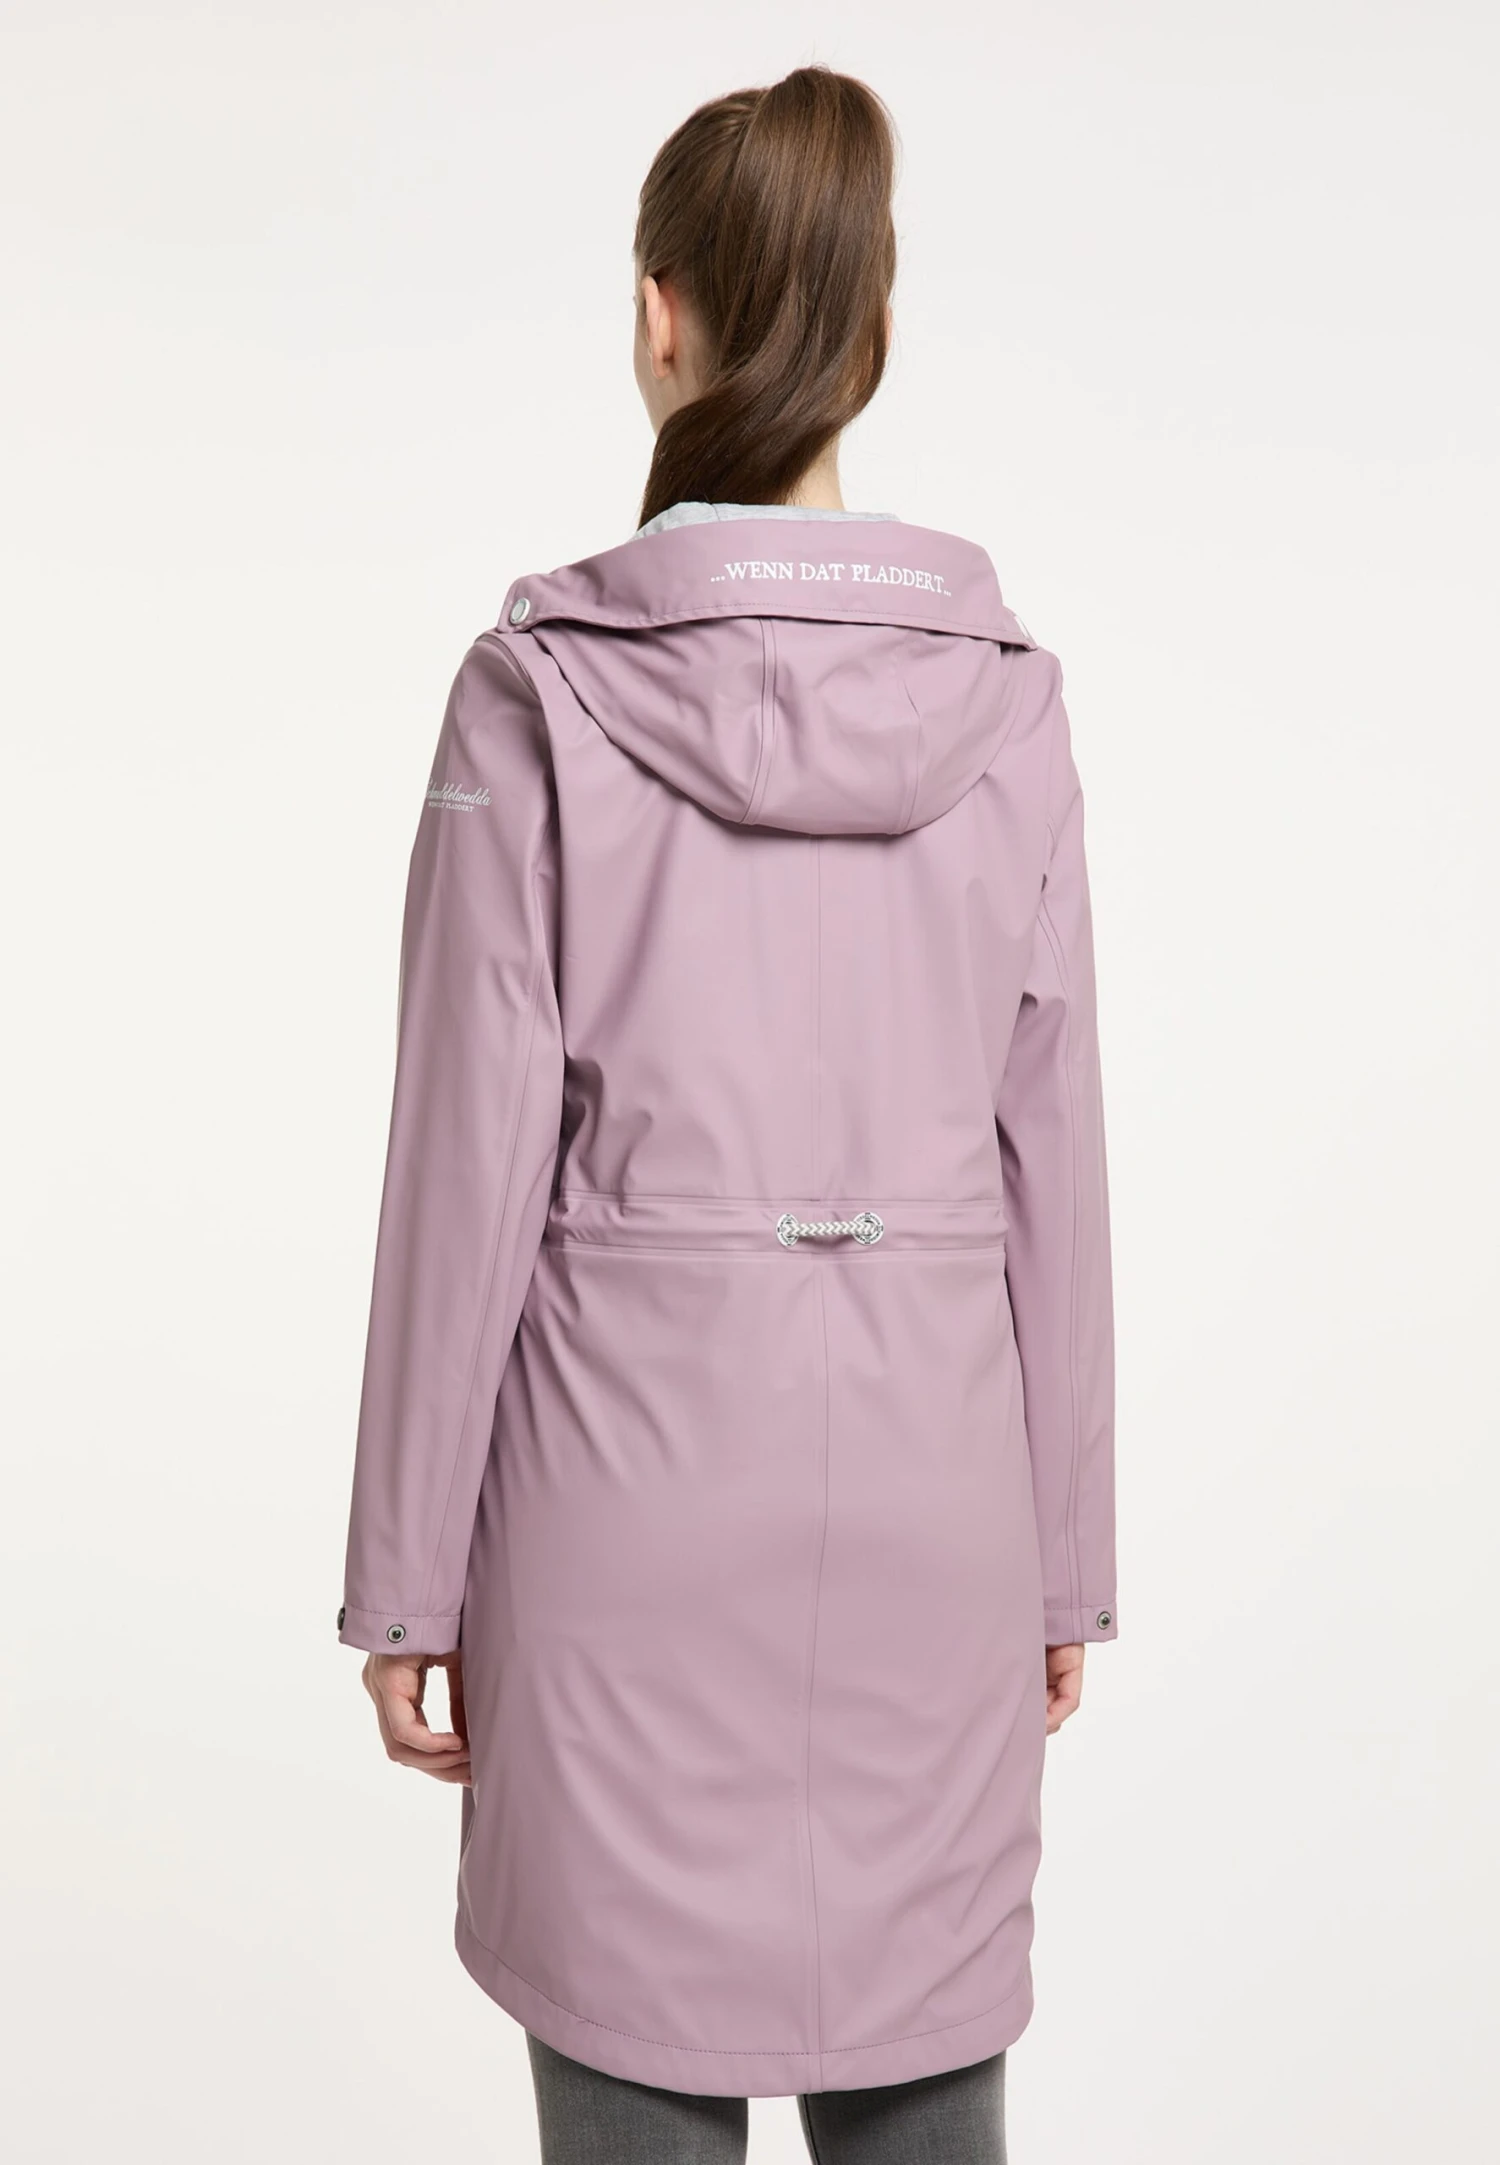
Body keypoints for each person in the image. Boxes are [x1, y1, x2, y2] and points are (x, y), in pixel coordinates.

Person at [337, 63, 1117, 2165]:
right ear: (873, 330)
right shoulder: (1012, 704)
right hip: (943, 1516)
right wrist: (1066, 1554)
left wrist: (405, 1581)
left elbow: (462, 1163)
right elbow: (1054, 1159)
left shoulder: (540, 689)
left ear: (660, 314)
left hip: (622, 1520)